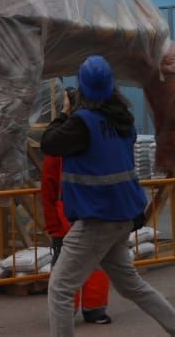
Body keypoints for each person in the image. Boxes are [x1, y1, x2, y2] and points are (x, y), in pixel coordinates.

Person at [42, 56, 175, 337]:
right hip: (123, 215)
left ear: (81, 89)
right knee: (132, 285)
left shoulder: (82, 123)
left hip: (97, 219)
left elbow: (50, 142)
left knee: (60, 287)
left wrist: (64, 112)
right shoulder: (123, 124)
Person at [41, 91, 112, 325]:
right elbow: (50, 188)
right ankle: (88, 309)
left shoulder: (60, 148)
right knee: (87, 264)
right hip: (82, 217)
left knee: (71, 268)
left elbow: (48, 190)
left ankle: (79, 309)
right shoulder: (88, 143)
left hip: (74, 218)